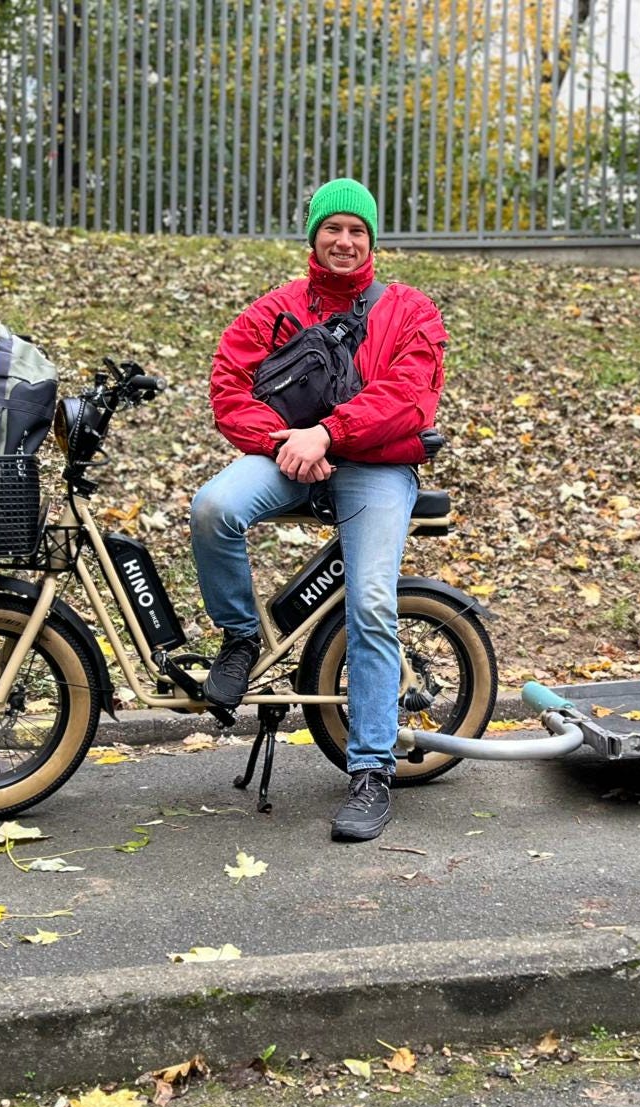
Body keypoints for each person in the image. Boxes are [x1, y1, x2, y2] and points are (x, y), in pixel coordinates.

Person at [190, 178, 447, 842]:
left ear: (372, 240)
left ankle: (370, 773)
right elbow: (228, 385)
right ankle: (241, 638)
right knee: (214, 506)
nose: (344, 239)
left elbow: (408, 396)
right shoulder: (273, 309)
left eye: (357, 230)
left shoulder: (410, 309)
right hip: (289, 457)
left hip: (377, 466)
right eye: (331, 228)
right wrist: (283, 442)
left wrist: (327, 433)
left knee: (368, 602)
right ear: (312, 236)